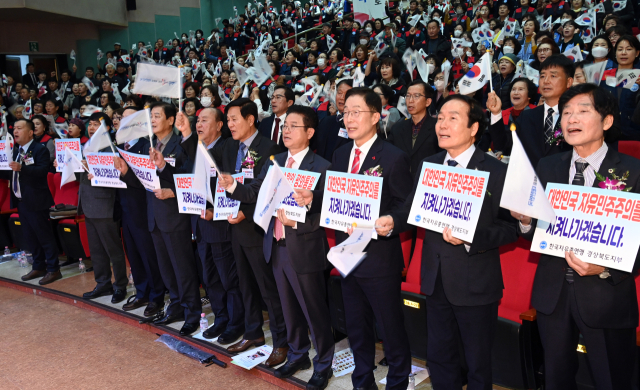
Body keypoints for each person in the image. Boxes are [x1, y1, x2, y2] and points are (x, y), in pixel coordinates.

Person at [378, 94, 519, 389]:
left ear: (473, 128)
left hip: (476, 283)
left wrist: (470, 238)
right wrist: (393, 220)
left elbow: (511, 228)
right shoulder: (429, 165)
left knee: (478, 362)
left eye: (453, 118)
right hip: (435, 278)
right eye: (440, 118)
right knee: (440, 357)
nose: (442, 124)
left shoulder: (497, 171)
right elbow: (411, 208)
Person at [514, 84, 640, 390]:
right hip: (552, 295)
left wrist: (608, 267)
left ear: (606, 121)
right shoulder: (548, 165)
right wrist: (526, 222)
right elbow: (537, 229)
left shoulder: (633, 171)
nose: (571, 118)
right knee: (556, 379)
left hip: (606, 296)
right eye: (566, 112)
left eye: (583, 111)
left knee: (613, 379)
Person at [221, 105, 335, 389]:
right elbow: (253, 192)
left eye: (293, 126)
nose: (286, 131)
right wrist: (232, 186)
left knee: (314, 311)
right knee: (287, 307)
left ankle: (323, 363)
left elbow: (327, 212)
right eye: (285, 126)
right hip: (276, 245)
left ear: (309, 133)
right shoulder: (276, 161)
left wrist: (299, 224)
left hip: (306, 248)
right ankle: (298, 355)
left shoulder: (323, 167)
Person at [322, 87, 413, 390]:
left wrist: (392, 220)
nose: (348, 118)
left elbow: (405, 206)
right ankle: (362, 380)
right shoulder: (339, 153)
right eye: (345, 111)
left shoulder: (394, 157)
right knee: (356, 327)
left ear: (375, 116)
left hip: (379, 257)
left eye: (356, 112)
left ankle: (398, 381)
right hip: (348, 255)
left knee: (390, 326)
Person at [114, 102, 202, 336]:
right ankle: (175, 306)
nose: (152, 120)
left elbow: (189, 177)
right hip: (153, 215)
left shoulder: (180, 144)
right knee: (166, 268)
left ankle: (192, 312)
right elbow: (143, 182)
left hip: (175, 215)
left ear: (171, 120)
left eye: (157, 116)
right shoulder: (148, 146)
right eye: (150, 116)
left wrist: (164, 171)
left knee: (182, 268)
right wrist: (125, 172)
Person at [210, 98, 286, 366]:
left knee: (268, 288)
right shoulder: (229, 147)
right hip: (234, 227)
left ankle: (281, 342)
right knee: (244, 284)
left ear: (251, 119)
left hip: (257, 228)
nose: (229, 125)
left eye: (234, 119)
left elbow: (267, 189)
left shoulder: (271, 148)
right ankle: (253, 332)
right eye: (227, 119)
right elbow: (214, 169)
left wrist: (246, 210)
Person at [191, 107, 245, 344]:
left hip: (222, 225)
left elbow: (233, 185)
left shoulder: (227, 148)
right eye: (197, 121)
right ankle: (221, 317)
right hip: (201, 225)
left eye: (204, 120)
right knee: (209, 277)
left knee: (228, 279)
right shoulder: (197, 150)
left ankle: (236, 322)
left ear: (219, 125)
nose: (199, 124)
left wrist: (217, 211)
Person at [70, 113, 128, 303]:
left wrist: (96, 172)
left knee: (113, 249)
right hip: (88, 204)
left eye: (97, 124)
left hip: (105, 204)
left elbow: (117, 177)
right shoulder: (85, 147)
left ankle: (120, 285)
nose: (92, 128)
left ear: (107, 128)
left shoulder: (112, 147)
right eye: (90, 124)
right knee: (96, 250)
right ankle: (103, 283)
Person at [114, 106, 165, 317]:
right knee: (133, 254)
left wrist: (126, 173)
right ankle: (142, 292)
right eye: (122, 119)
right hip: (124, 210)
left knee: (148, 255)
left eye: (130, 119)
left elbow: (149, 181)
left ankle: (156, 296)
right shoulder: (118, 147)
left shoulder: (148, 146)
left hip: (144, 210)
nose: (125, 123)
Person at [0, 119, 60, 285]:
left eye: (19, 128)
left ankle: (54, 269)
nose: (15, 131)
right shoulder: (15, 150)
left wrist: (22, 168)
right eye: (14, 129)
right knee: (30, 237)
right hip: (21, 200)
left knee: (44, 235)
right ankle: (39, 266)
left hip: (37, 200)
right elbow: (11, 174)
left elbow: (42, 171)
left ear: (30, 132)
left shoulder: (39, 149)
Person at [487, 55, 574, 165]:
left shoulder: (576, 116)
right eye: (542, 76)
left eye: (553, 76)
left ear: (569, 82)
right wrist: (496, 113)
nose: (546, 81)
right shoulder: (527, 116)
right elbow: (504, 145)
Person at [386, 80, 441, 174]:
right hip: (400, 183)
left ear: (428, 102)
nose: (410, 100)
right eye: (408, 96)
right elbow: (388, 153)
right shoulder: (397, 128)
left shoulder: (438, 127)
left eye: (416, 96)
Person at [315, 79, 353, 161]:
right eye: (339, 93)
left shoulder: (356, 124)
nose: (342, 97)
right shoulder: (326, 120)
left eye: (347, 94)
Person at [257, 86, 294, 152]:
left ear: (289, 103)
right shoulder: (265, 122)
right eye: (272, 97)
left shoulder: (295, 124)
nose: (273, 101)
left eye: (278, 97)